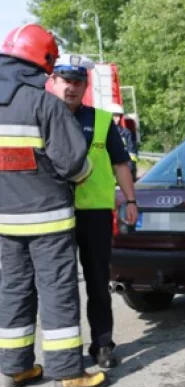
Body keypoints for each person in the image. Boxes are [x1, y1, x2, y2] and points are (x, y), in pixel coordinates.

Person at [0, 24, 109, 387]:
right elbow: (73, 163)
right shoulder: (43, 103)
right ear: (44, 60)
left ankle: (17, 367)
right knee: (57, 290)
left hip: (4, 221)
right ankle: (68, 373)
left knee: (13, 289)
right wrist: (83, 176)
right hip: (48, 219)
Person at [48, 54, 138, 369]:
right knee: (60, 286)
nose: (70, 88)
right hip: (53, 213)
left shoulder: (100, 120)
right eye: (65, 81)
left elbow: (120, 163)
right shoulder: (41, 117)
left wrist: (130, 200)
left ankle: (102, 345)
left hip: (95, 213)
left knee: (98, 282)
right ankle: (65, 352)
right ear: (53, 82)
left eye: (77, 82)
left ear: (85, 85)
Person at [107, 103, 139, 180]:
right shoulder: (103, 132)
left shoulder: (126, 132)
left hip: (124, 168)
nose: (117, 119)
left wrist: (131, 167)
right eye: (115, 116)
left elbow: (131, 152)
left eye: (119, 116)